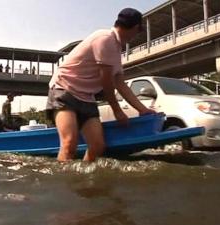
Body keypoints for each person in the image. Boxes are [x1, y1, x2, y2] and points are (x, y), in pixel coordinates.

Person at [46, 8, 156, 162]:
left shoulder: (116, 49)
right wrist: (117, 111)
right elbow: (107, 82)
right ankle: (65, 184)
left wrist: (142, 109)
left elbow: (120, 83)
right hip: (64, 89)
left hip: (86, 97)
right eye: (138, 31)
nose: (137, 34)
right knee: (69, 144)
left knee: (97, 146)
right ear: (135, 28)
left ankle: (84, 182)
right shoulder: (105, 38)